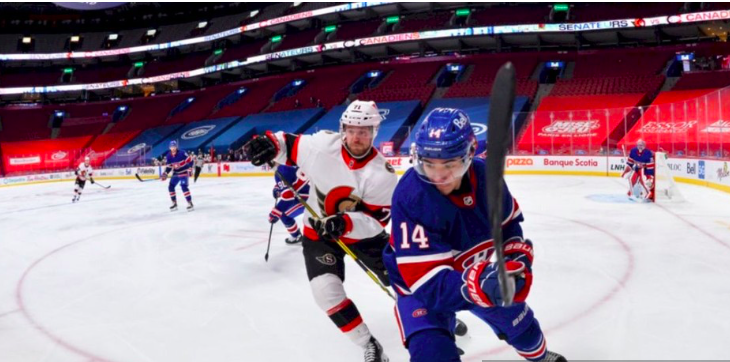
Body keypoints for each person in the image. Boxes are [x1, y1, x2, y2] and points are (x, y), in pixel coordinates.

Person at [382, 108, 567, 362]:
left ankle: (540, 356)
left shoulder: (488, 179)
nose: (438, 176)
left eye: (449, 164)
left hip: (476, 273)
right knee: (432, 355)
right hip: (422, 288)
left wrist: (515, 261)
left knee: (523, 327)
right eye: (428, 164)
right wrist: (480, 283)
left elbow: (508, 227)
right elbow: (427, 283)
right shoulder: (411, 196)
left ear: (469, 155)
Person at [244, 100, 397, 362]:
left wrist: (346, 224)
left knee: (402, 279)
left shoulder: (383, 174)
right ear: (342, 129)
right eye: (351, 129)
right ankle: (368, 343)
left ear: (374, 132)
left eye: (364, 131)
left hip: (364, 237)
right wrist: (269, 145)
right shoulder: (322, 146)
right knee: (325, 293)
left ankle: (432, 320)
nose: (356, 137)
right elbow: (286, 144)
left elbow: (376, 221)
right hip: (319, 235)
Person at [269, 164, 310, 244]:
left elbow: (288, 197)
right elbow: (291, 182)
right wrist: (278, 188)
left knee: (283, 214)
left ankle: (296, 236)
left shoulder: (281, 170)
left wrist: (276, 212)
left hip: (306, 197)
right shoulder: (290, 163)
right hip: (313, 192)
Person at [161, 140, 194, 211]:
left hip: (184, 172)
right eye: (171, 147)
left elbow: (191, 160)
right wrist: (165, 173)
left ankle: (190, 203)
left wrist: (190, 168)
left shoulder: (182, 153)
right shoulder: (168, 156)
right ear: (169, 147)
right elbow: (169, 167)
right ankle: (174, 203)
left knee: (183, 186)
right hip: (176, 173)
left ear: (176, 147)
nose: (173, 148)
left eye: (174, 146)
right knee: (171, 186)